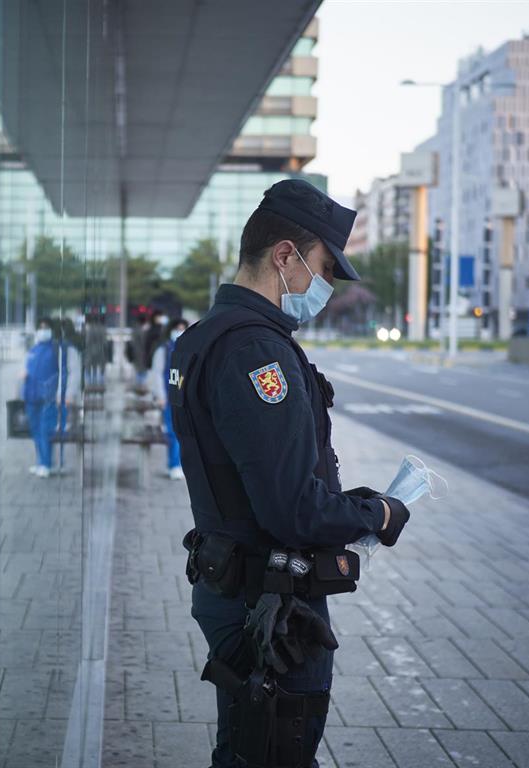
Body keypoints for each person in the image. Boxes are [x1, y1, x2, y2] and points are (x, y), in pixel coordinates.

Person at [169, 179, 411, 768]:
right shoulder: (258, 352)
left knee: (246, 748)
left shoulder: (201, 340)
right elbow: (291, 510)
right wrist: (376, 511)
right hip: (272, 610)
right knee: (273, 752)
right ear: (285, 256)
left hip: (235, 587)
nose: (325, 286)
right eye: (324, 268)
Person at [22, 317, 71, 478]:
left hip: (48, 398)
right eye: (40, 327)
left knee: (45, 431)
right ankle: (40, 462)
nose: (43, 330)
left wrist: (61, 393)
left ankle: (47, 464)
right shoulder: (34, 349)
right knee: (35, 431)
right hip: (31, 396)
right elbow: (27, 371)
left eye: (46, 327)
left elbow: (64, 372)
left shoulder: (58, 348)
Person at [149, 317, 188, 480]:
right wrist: (160, 396)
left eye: (183, 328)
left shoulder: (189, 349)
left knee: (183, 434)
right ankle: (173, 465)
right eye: (177, 328)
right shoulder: (164, 349)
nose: (180, 331)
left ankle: (177, 464)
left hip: (185, 398)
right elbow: (157, 374)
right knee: (173, 432)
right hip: (169, 396)